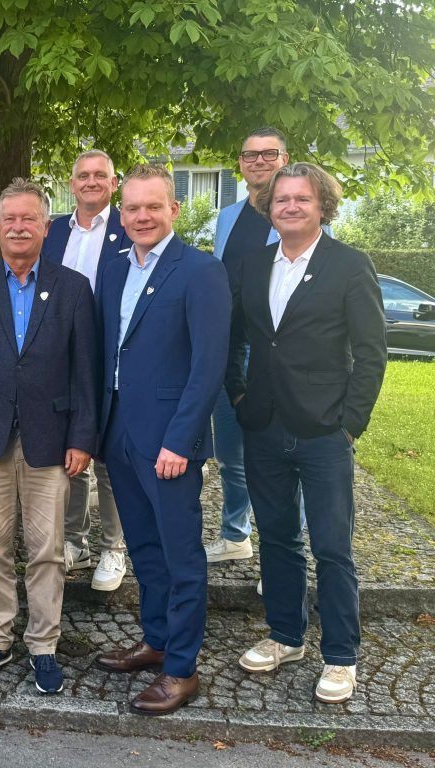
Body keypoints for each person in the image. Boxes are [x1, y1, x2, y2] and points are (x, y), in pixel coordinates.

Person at [227, 163, 386, 703]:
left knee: (332, 547)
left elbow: (371, 352)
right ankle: (285, 636)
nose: (290, 207)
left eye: (302, 199)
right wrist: (239, 394)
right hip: (264, 424)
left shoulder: (349, 265)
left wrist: (350, 424)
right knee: (276, 538)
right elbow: (236, 339)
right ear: (269, 208)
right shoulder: (252, 264)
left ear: (323, 206)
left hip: (324, 431)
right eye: (282, 200)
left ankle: (340, 656)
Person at [0, 178, 96, 695]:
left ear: (46, 227)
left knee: (48, 548)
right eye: (10, 219)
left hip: (51, 439)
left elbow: (85, 372)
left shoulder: (73, 287)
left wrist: (82, 438)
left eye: (29, 218)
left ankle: (44, 645)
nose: (19, 227)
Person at [93, 164, 230, 715]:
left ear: (174, 209)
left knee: (180, 555)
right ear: (121, 214)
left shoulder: (201, 271)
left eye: (153, 206)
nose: (142, 216)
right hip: (120, 432)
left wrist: (181, 440)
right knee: (144, 548)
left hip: (169, 441)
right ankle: (156, 641)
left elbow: (208, 366)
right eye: (132, 208)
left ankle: (182, 668)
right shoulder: (113, 269)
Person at [40, 149, 131, 591]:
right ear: (72, 184)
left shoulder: (128, 227)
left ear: (113, 183)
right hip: (60, 355)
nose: (91, 182)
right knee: (69, 450)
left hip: (111, 353)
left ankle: (114, 546)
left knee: (109, 456)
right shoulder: (54, 230)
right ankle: (74, 540)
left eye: (100, 175)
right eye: (83, 175)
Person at [206, 127, 289, 564]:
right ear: (239, 163)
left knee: (278, 459)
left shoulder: (295, 213)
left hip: (275, 357)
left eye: (268, 154)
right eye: (249, 155)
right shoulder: (228, 217)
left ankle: (283, 556)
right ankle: (235, 534)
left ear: (284, 159)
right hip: (228, 353)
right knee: (230, 455)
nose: (258, 161)